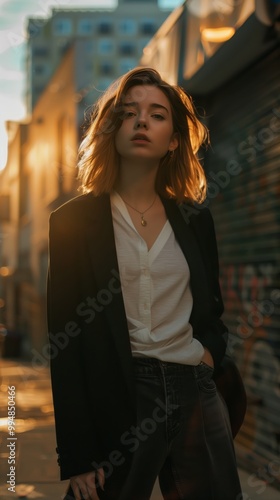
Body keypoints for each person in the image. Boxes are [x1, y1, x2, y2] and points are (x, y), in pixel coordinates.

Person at [47, 67, 242, 500]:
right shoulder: (73, 223)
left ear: (174, 139)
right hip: (121, 395)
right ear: (111, 130)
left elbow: (211, 311)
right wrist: (77, 457)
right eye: (129, 113)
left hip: (195, 391)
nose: (141, 122)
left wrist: (210, 355)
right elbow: (65, 343)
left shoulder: (195, 220)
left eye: (156, 115)